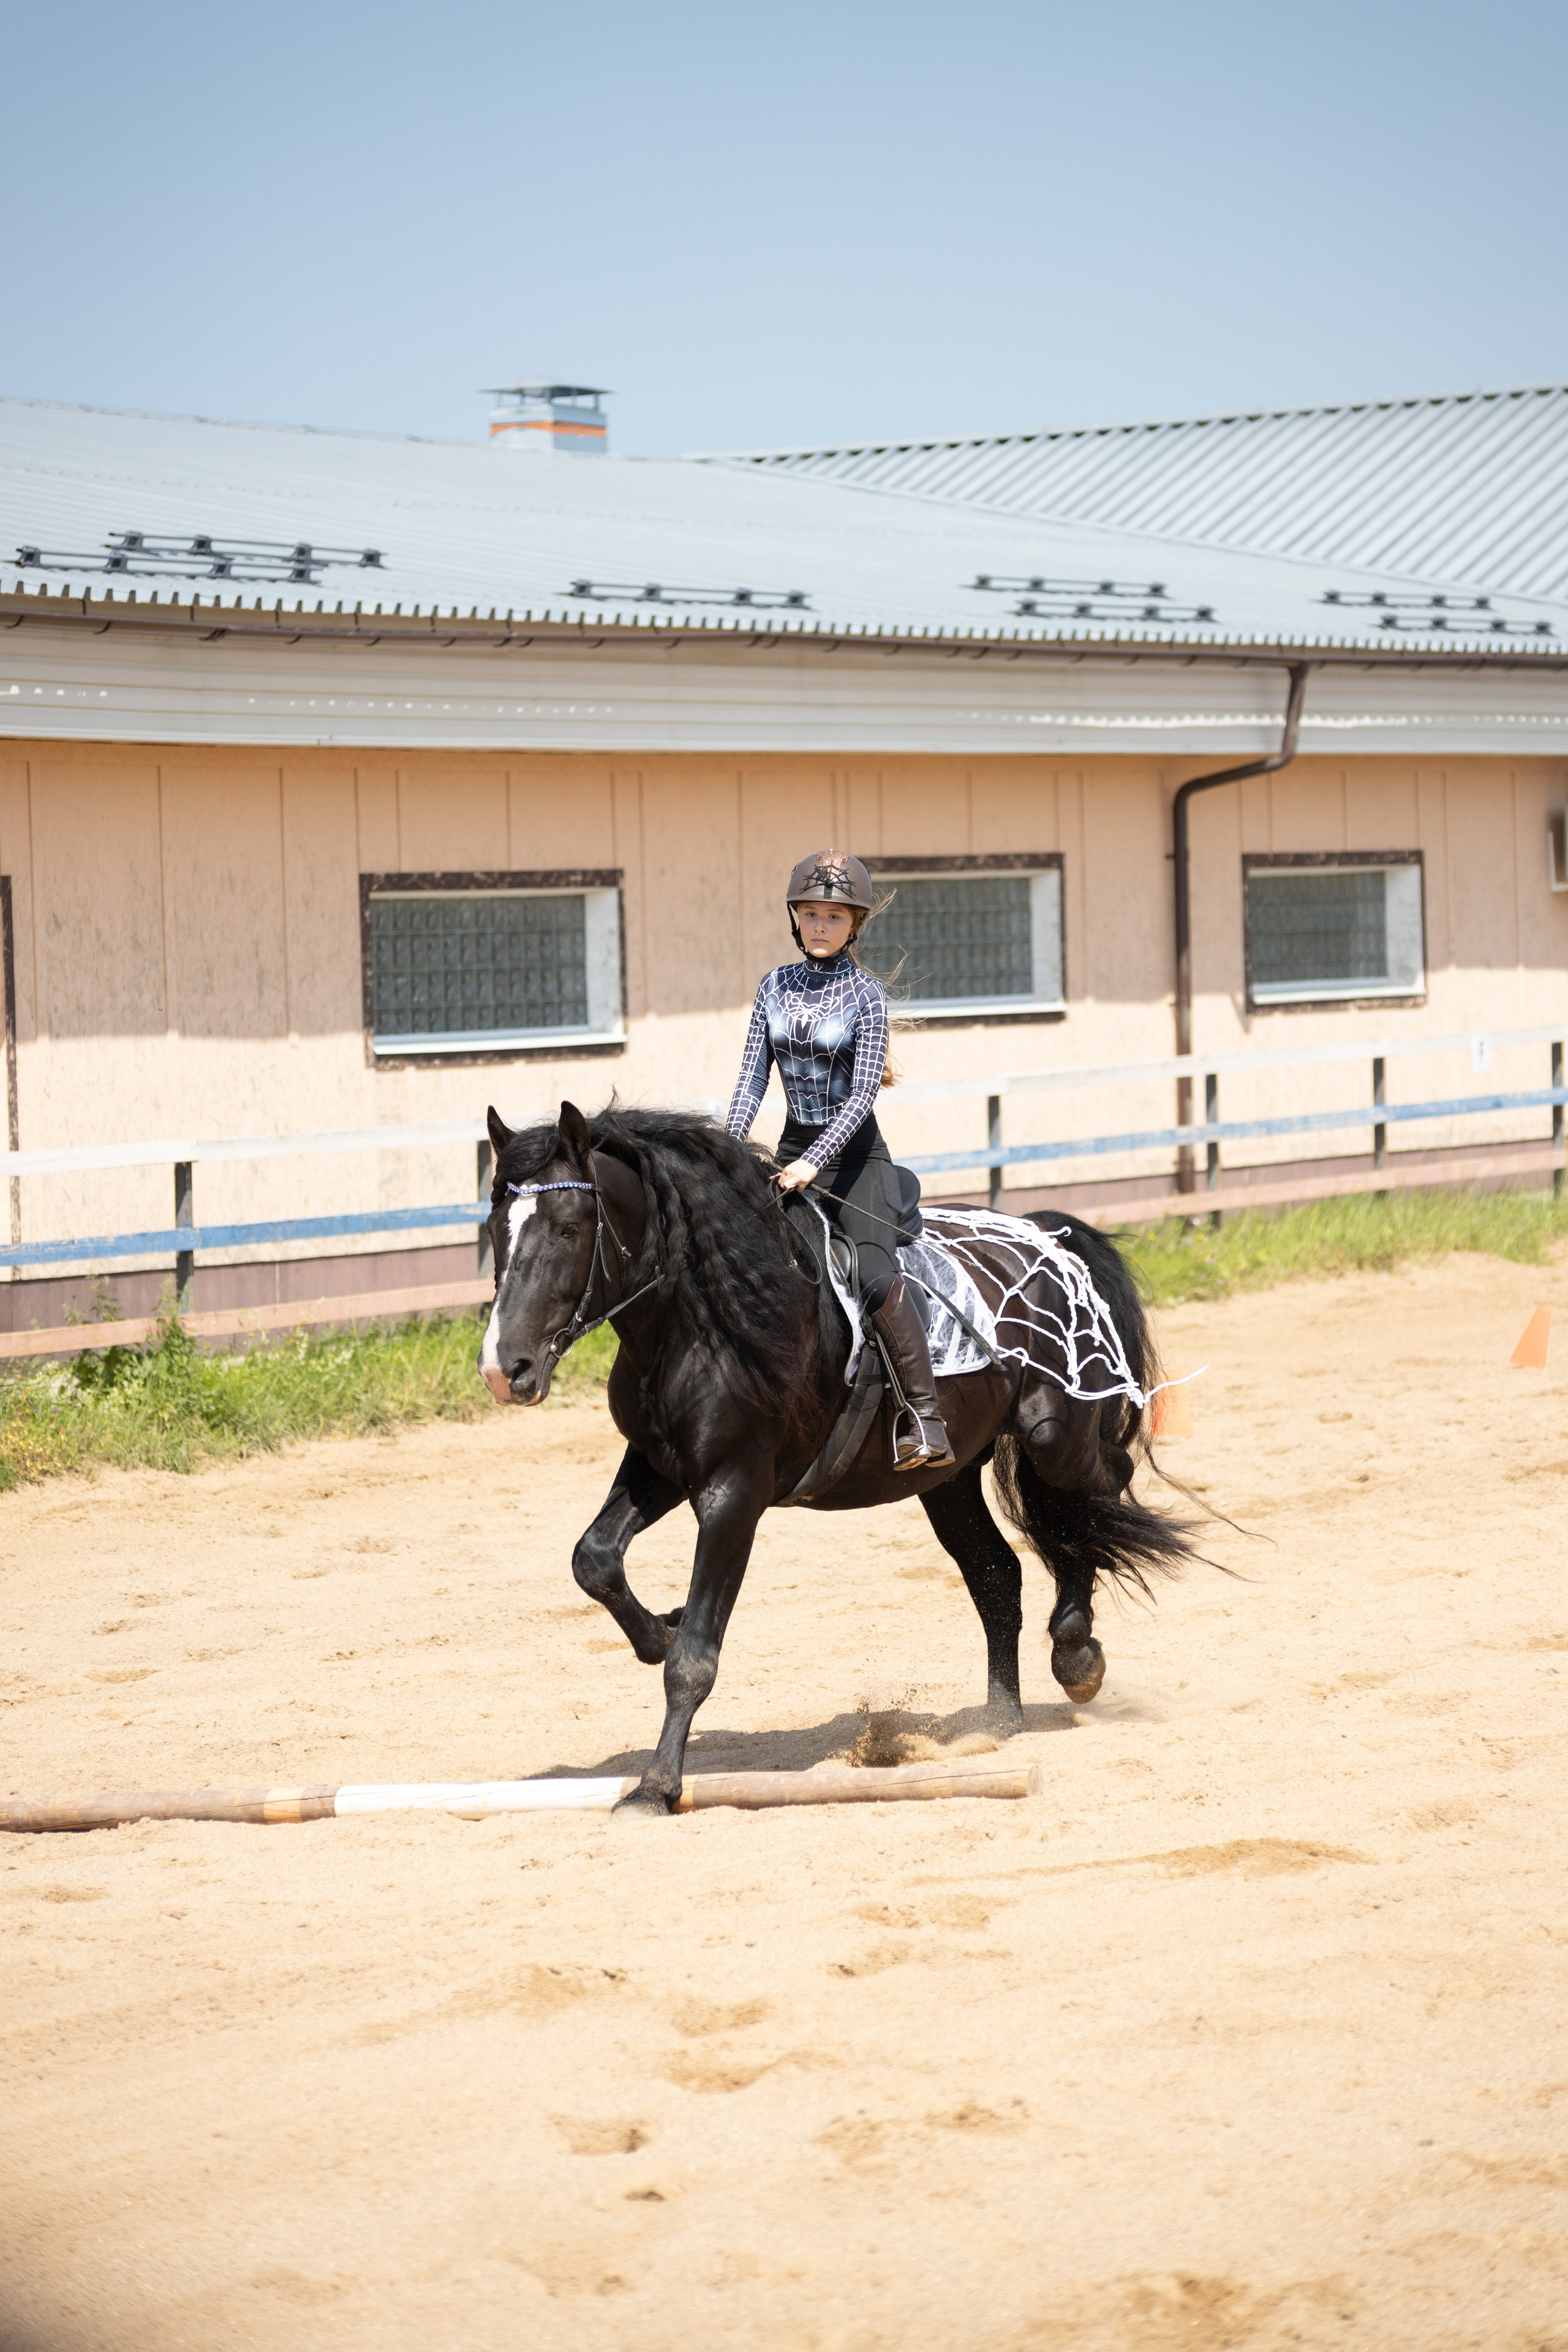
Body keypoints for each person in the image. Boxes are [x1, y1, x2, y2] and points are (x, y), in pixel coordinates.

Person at [724, 848, 955, 1470]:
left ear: (855, 924)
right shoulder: (772, 986)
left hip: (856, 1166)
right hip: (791, 1153)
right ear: (795, 918)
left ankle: (924, 1419)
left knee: (874, 1279)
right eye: (810, 913)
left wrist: (811, 1165)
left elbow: (858, 1099)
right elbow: (751, 1080)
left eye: (834, 915)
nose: (820, 925)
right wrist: (726, 1147)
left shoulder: (867, 996)